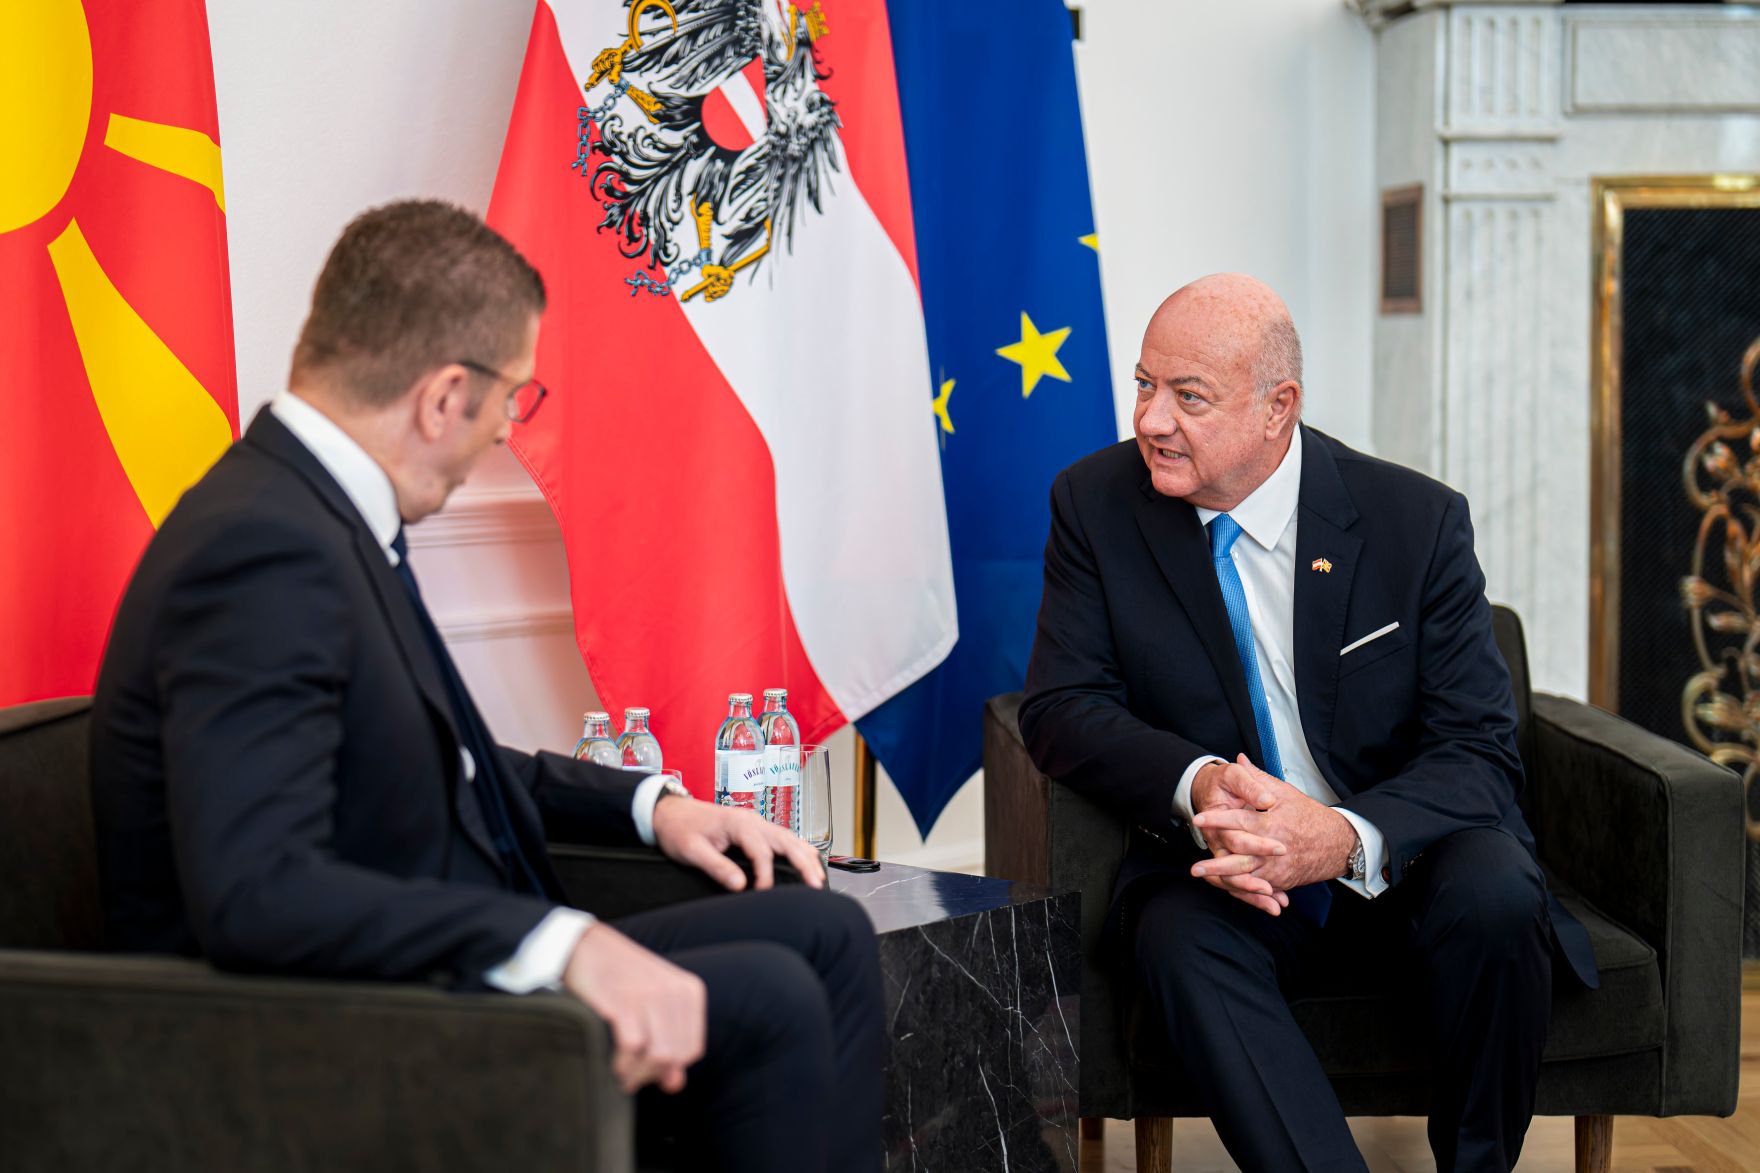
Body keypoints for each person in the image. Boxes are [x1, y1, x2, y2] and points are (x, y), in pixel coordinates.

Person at [90, 199, 882, 1173]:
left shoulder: (313, 513)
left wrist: (653, 805)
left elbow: (440, 756)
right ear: (443, 397)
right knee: (771, 998)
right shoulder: (259, 551)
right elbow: (258, 894)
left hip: (429, 972)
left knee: (824, 932)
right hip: (319, 1037)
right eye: (515, 396)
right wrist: (560, 944)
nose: (509, 429)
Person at [1018, 274, 1596, 1172]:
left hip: (1403, 856)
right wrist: (1201, 784)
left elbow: (1481, 751)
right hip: (1226, 866)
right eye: (1144, 384)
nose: (1151, 419)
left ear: (1276, 408)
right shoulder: (1095, 505)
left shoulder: (1415, 523)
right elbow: (1061, 707)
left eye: (1188, 396)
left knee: (1498, 893)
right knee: (1173, 934)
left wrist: (1339, 835)